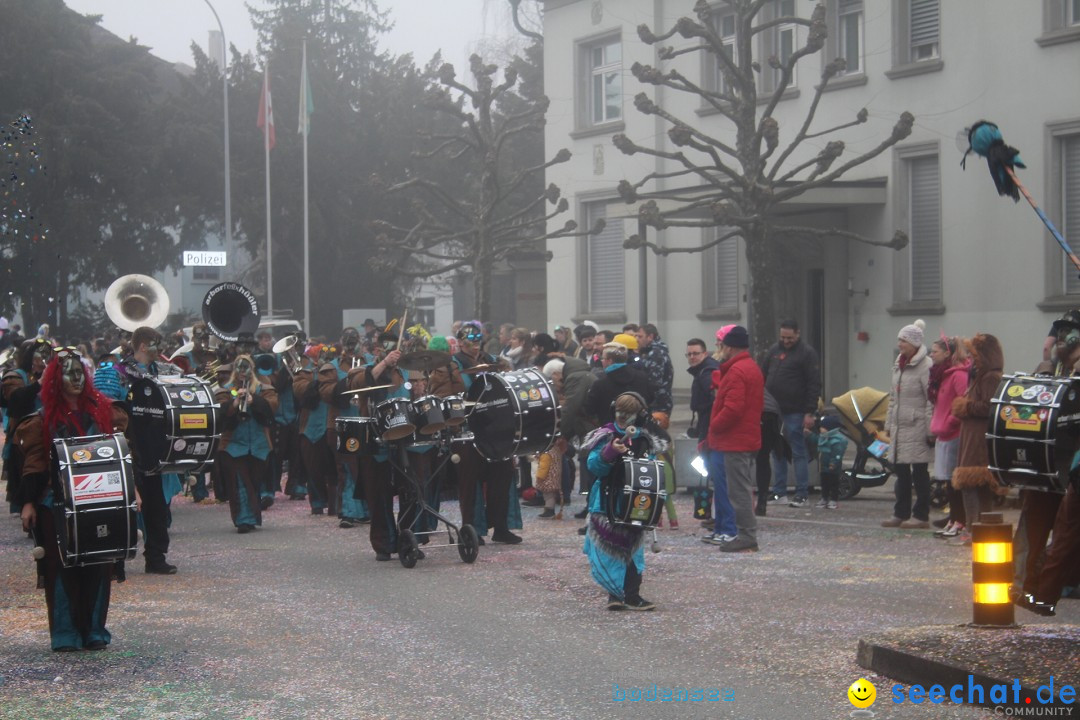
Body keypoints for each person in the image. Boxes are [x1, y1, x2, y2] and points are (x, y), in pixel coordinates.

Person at [16, 349, 128, 650]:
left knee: (100, 562)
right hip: (57, 501)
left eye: (80, 372)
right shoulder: (43, 419)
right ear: (56, 378)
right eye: (69, 372)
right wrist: (28, 502)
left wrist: (135, 492)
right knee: (60, 565)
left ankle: (93, 630)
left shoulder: (104, 411)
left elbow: (120, 454)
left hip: (100, 497)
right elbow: (35, 462)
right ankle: (65, 633)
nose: (76, 378)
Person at [582, 392, 668, 610]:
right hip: (606, 501)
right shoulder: (604, 435)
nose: (623, 417)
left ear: (638, 416)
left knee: (633, 549)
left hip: (636, 503)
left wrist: (657, 501)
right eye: (620, 412)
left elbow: (653, 471)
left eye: (628, 414)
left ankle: (632, 594)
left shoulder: (646, 439)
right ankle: (614, 594)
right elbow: (594, 466)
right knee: (609, 548)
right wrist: (609, 452)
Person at [706, 326, 763, 552]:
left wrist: (715, 425)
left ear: (729, 346)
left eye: (722, 346)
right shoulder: (750, 368)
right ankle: (745, 534)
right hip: (744, 437)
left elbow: (733, 408)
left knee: (738, 491)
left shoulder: (737, 371)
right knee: (741, 488)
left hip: (735, 440)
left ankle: (746, 535)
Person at [215, 355, 279, 533]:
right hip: (233, 445)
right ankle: (244, 520)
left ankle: (251, 516)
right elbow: (219, 413)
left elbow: (273, 407)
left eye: (246, 369)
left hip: (259, 445)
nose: (243, 373)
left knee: (253, 482)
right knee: (240, 483)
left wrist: (254, 401)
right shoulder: (226, 390)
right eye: (239, 369)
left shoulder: (263, 389)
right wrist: (234, 403)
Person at [881, 320, 934, 529]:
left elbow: (930, 399)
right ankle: (900, 513)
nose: (900, 344)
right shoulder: (899, 364)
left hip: (917, 425)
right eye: (899, 340)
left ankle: (921, 515)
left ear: (913, 343)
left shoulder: (926, 366)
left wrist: (930, 430)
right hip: (900, 426)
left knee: (919, 472)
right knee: (900, 471)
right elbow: (893, 398)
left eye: (903, 340)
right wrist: (888, 424)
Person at [762, 320, 821, 508]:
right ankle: (780, 492)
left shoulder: (807, 354)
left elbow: (814, 383)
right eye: (783, 337)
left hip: (795, 410)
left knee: (798, 452)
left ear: (797, 334)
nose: (786, 341)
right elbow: (763, 375)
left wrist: (810, 411)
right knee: (776, 451)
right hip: (773, 411)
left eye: (789, 338)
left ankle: (801, 492)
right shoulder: (773, 351)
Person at [928, 336, 970, 539]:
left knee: (955, 482)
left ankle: (959, 521)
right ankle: (953, 519)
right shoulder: (941, 375)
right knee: (947, 481)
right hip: (943, 433)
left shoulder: (958, 375)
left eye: (935, 351)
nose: (931, 354)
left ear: (947, 353)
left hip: (953, 433)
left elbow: (963, 401)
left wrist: (950, 422)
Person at [584, 342, 652, 426]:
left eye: (603, 358)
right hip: (639, 428)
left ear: (609, 361)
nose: (601, 361)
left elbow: (589, 410)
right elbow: (650, 398)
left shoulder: (600, 384)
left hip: (610, 431)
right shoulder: (642, 377)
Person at [634, 323, 674, 428]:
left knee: (655, 439)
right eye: (636, 336)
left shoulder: (656, 354)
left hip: (657, 406)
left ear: (650, 337)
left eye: (640, 336)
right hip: (655, 404)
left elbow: (654, 383)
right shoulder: (649, 352)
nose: (637, 339)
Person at [814, 415, 848, 509]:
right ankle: (824, 498)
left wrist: (833, 463)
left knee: (834, 484)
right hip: (823, 466)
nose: (820, 429)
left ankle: (833, 499)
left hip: (832, 467)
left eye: (823, 427)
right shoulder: (823, 437)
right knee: (824, 483)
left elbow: (837, 454)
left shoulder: (836, 441)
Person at [534, 437, 567, 519]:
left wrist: (539, 477)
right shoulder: (556, 450)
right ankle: (549, 509)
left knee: (548, 496)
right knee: (551, 495)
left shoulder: (546, 453)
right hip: (554, 477)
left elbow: (543, 467)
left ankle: (549, 510)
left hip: (548, 479)